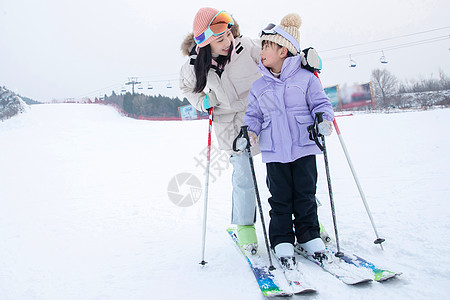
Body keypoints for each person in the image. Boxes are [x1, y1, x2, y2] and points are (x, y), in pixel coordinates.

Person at [244, 13, 335, 267]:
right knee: (280, 197)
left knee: (305, 194)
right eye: (261, 45)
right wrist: (250, 132)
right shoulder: (259, 87)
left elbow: (321, 103)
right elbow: (254, 115)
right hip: (275, 151)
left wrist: (323, 119)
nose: (261, 50)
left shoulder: (306, 79)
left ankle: (308, 235)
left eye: (266, 46)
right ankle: (282, 239)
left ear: (284, 51)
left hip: (304, 147)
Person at [179, 8, 262, 252]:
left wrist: (298, 61)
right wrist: (201, 102)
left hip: (261, 114)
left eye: (227, 35)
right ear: (205, 43)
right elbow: (187, 88)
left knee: (283, 167)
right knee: (243, 175)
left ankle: (303, 218)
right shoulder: (193, 67)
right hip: (230, 124)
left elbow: (274, 55)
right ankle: (245, 226)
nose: (227, 41)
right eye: (220, 39)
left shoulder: (246, 47)